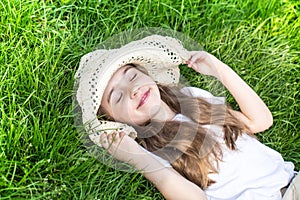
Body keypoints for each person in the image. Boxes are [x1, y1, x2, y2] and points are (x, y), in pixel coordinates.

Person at [74, 35, 298, 200]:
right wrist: (135, 157)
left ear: (146, 75)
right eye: (117, 97)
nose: (131, 89)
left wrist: (218, 68)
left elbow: (259, 122)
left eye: (131, 75)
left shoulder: (192, 98)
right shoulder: (153, 151)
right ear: (116, 121)